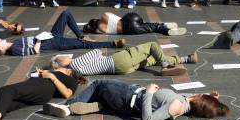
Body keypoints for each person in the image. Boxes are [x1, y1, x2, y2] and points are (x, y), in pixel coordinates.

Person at [43, 79, 229, 120]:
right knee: (101, 101)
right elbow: (191, 97)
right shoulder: (186, 103)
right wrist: (212, 98)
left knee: (99, 84)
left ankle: (67, 105)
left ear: (199, 101)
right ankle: (74, 110)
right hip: (126, 100)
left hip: (129, 97)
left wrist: (148, 93)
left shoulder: (177, 106)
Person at [0, 10, 124, 56]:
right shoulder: (14, 49)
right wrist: (40, 39)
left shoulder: (13, 43)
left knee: (66, 14)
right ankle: (113, 44)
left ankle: (81, 34)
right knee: (83, 44)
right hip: (52, 43)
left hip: (50, 37)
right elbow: (35, 51)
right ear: (0, 48)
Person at [51, 42, 197, 77]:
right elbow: (96, 51)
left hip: (121, 70)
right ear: (60, 64)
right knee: (152, 46)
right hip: (116, 61)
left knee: (150, 60)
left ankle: (186, 59)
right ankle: (165, 64)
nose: (65, 56)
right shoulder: (74, 64)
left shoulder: (76, 72)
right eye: (61, 58)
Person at [83, 12, 186, 36]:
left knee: (150, 28)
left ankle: (167, 30)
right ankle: (165, 25)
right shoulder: (105, 15)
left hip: (127, 29)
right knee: (147, 24)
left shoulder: (99, 31)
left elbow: (96, 30)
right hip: (129, 17)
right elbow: (116, 17)